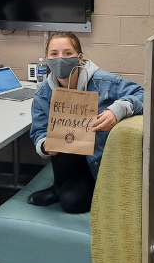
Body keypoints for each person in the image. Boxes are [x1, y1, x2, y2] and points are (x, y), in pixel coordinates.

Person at [29, 32, 144, 214]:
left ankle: (73, 189)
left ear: (80, 58)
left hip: (96, 162)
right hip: (66, 164)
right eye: (54, 54)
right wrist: (44, 144)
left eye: (67, 53)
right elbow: (39, 130)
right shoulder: (44, 92)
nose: (60, 59)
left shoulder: (102, 82)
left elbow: (143, 93)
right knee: (67, 192)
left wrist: (118, 110)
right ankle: (57, 187)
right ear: (47, 59)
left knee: (72, 204)